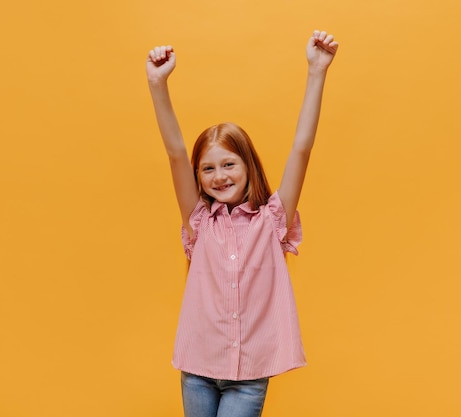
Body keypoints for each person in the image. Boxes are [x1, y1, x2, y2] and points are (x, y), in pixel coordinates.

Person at [146, 30, 339, 417]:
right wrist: (157, 83)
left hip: (249, 377)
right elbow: (174, 152)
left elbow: (302, 147)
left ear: (247, 165)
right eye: (208, 169)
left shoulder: (273, 220)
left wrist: (317, 71)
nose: (219, 176)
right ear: (198, 176)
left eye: (228, 164)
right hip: (198, 369)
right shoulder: (198, 222)